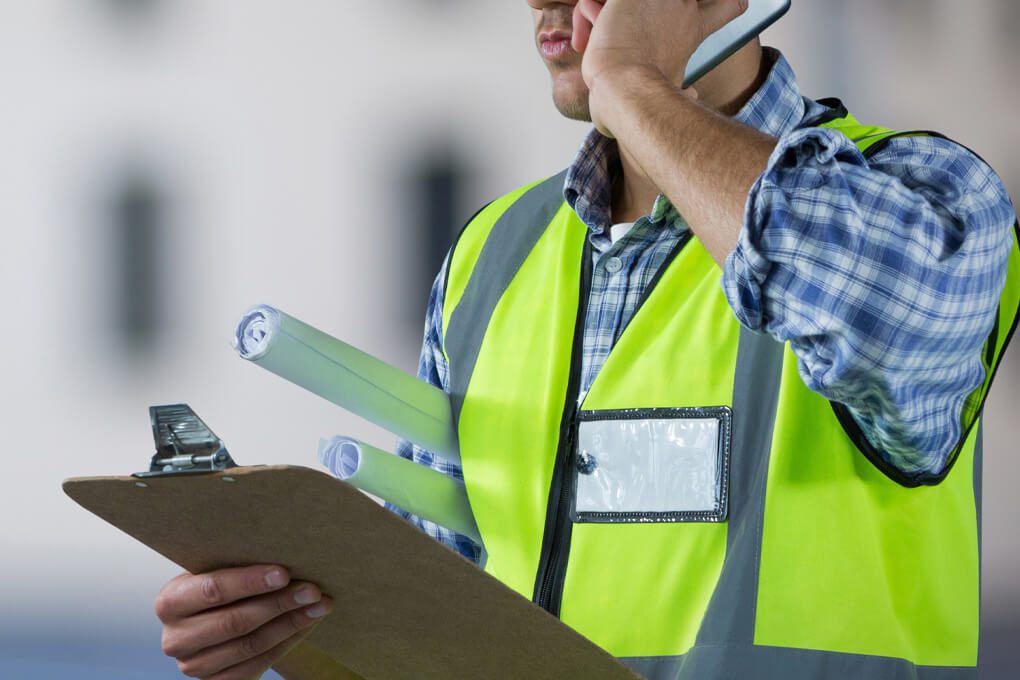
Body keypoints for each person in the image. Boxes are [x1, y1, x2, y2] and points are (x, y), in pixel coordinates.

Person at [155, 1, 1020, 678]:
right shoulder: (490, 254)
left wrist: (634, 82)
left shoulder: (927, 198)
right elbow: (435, 632)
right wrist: (287, 635)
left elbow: (857, 295)